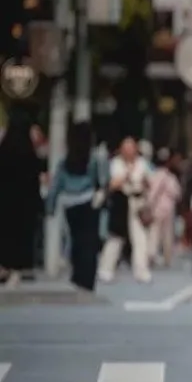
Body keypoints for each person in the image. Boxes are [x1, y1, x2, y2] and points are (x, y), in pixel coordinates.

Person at [45, 122, 103, 291]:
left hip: (70, 204)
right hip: (88, 201)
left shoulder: (66, 161)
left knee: (75, 239)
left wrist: (50, 205)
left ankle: (77, 274)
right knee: (89, 242)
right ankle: (87, 278)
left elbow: (56, 184)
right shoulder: (92, 159)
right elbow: (98, 180)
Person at [98, 136, 153, 283]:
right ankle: (106, 268)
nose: (129, 152)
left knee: (140, 238)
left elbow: (149, 182)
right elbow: (114, 183)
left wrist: (144, 182)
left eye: (132, 148)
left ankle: (141, 270)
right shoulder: (116, 163)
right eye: (126, 149)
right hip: (121, 201)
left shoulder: (142, 163)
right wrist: (127, 174)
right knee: (116, 237)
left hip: (138, 201)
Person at [0, 119, 43, 286]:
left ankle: (3, 266)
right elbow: (34, 182)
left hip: (4, 203)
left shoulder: (4, 152)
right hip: (24, 206)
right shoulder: (29, 155)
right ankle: (16, 270)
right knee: (21, 237)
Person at [146, 149, 183, 268]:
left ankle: (152, 255)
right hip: (167, 208)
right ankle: (166, 257)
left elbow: (152, 192)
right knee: (167, 234)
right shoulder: (169, 177)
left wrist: (149, 205)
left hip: (157, 208)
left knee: (155, 233)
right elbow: (177, 193)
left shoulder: (154, 174)